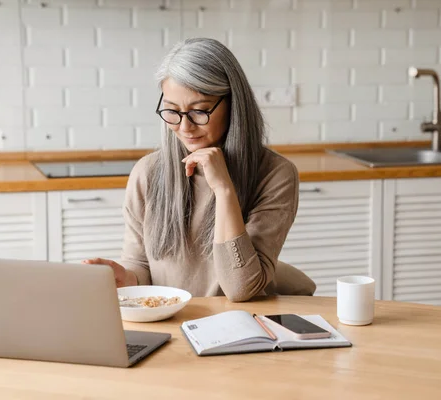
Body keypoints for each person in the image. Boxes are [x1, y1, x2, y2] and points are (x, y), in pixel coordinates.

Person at [83, 38, 303, 302]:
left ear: (233, 104)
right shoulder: (147, 172)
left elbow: (241, 288)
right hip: (172, 321)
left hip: (240, 326)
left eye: (199, 111)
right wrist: (126, 278)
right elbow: (141, 267)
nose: (184, 127)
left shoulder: (275, 175)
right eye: (172, 111)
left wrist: (224, 190)